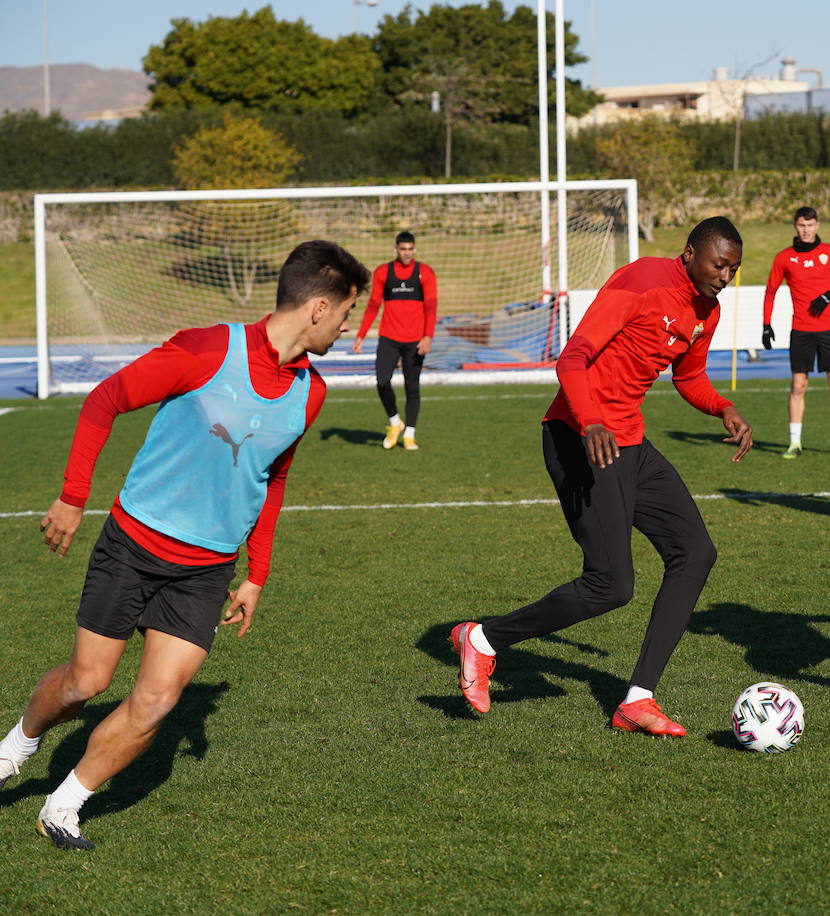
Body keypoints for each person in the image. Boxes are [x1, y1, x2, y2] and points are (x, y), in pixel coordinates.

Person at [0, 241, 369, 849]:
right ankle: (17, 747)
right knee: (85, 684)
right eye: (348, 312)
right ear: (319, 307)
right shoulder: (206, 349)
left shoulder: (311, 392)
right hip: (133, 545)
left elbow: (273, 479)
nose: (350, 326)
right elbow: (105, 400)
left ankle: (63, 806)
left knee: (155, 702)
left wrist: (257, 573)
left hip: (205, 571)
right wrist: (72, 495)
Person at [449, 217, 754, 737]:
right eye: (719, 265)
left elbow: (688, 376)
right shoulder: (642, 281)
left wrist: (722, 407)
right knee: (610, 584)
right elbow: (573, 357)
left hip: (627, 442)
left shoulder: (708, 309)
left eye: (734, 269)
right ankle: (482, 640)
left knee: (695, 552)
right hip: (578, 437)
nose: (725, 276)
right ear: (689, 253)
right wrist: (590, 419)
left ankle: (637, 699)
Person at [761, 206, 830, 458]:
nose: (806, 230)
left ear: (817, 225)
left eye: (810, 225)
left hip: (829, 330)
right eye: (801, 225)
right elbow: (771, 292)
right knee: (798, 386)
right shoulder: (784, 258)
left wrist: (829, 295)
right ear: (795, 226)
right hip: (801, 331)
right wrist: (766, 324)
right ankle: (794, 443)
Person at [352, 231, 439, 449]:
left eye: (410, 249)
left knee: (412, 387)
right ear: (396, 249)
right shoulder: (383, 272)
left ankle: (410, 434)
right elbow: (373, 305)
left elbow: (431, 308)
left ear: (415, 249)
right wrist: (361, 335)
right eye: (403, 249)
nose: (407, 253)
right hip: (389, 338)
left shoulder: (425, 273)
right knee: (382, 381)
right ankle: (394, 423)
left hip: (415, 341)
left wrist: (428, 337)